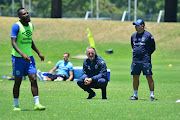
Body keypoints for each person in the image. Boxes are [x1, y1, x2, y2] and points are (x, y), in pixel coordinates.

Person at [11, 8, 46, 111]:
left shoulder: (31, 26)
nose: (27, 15)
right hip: (18, 58)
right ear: (20, 17)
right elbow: (13, 42)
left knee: (34, 78)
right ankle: (16, 105)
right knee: (18, 81)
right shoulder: (16, 26)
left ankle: (37, 104)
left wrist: (38, 53)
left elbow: (30, 41)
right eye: (24, 14)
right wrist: (22, 54)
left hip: (29, 58)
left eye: (27, 13)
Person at [128, 19, 156, 101]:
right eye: (135, 25)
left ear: (142, 26)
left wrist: (147, 55)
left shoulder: (148, 35)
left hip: (145, 60)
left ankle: (152, 95)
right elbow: (133, 46)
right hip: (135, 60)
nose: (136, 27)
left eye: (137, 25)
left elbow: (153, 47)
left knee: (149, 77)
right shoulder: (133, 36)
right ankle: (135, 95)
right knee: (135, 77)